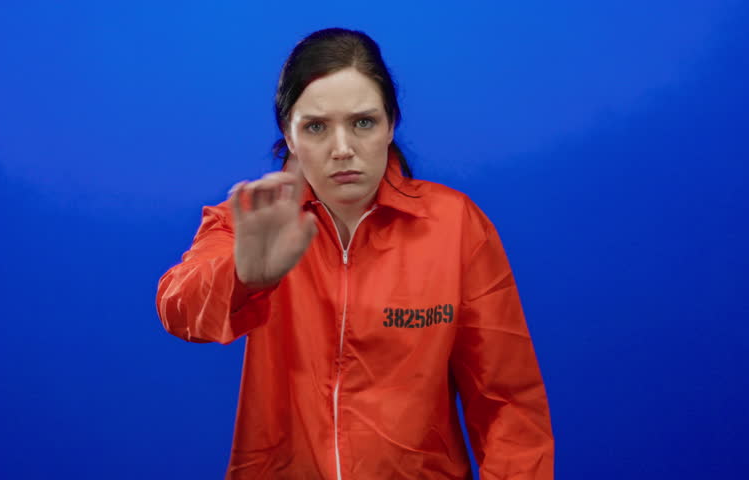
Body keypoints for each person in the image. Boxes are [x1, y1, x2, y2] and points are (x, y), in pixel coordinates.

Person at [156, 27, 554, 480]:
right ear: (289, 135)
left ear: (391, 125)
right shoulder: (251, 222)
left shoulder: (457, 226)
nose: (342, 149)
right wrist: (244, 276)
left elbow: (509, 408)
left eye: (363, 122)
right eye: (316, 127)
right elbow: (176, 308)